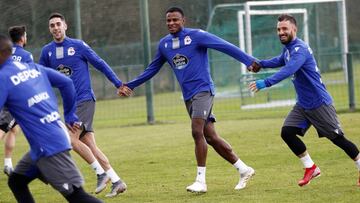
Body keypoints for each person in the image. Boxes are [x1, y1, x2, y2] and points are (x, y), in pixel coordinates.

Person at [120, 7, 256, 193]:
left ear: (183, 20)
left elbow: (225, 46)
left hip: (204, 91)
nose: (171, 23)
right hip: (188, 96)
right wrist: (131, 85)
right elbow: (152, 69)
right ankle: (244, 169)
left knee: (196, 130)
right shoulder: (164, 44)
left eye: (175, 20)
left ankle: (201, 181)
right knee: (211, 137)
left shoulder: (197, 36)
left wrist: (248, 61)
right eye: (168, 21)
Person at [248, 14, 360, 187]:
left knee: (339, 140)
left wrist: (265, 82)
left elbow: (289, 68)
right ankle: (311, 168)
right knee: (287, 132)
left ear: (294, 29)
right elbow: (279, 60)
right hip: (303, 104)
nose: (281, 32)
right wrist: (260, 63)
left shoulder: (300, 49)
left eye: (285, 29)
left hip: (319, 103)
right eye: (279, 29)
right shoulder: (288, 49)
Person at [0, 34, 102, 203]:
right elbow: (67, 83)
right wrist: (69, 114)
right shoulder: (32, 68)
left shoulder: (3, 78)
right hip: (47, 142)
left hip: (49, 148)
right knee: (16, 182)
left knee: (78, 196)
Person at [39, 12, 128, 197]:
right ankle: (117, 181)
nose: (55, 28)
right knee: (90, 146)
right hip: (71, 106)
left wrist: (118, 83)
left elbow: (100, 64)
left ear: (65, 26)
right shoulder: (47, 51)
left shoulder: (78, 46)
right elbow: (41, 78)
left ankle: (100, 173)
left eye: (58, 24)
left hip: (84, 100)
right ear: (49, 29)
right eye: (52, 25)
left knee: (70, 140)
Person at [0, 25, 34, 176]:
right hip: (14, 98)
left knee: (14, 129)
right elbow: (30, 77)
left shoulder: (4, 52)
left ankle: (8, 164)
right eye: (25, 35)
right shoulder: (26, 55)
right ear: (22, 38)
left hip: (3, 92)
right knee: (1, 129)